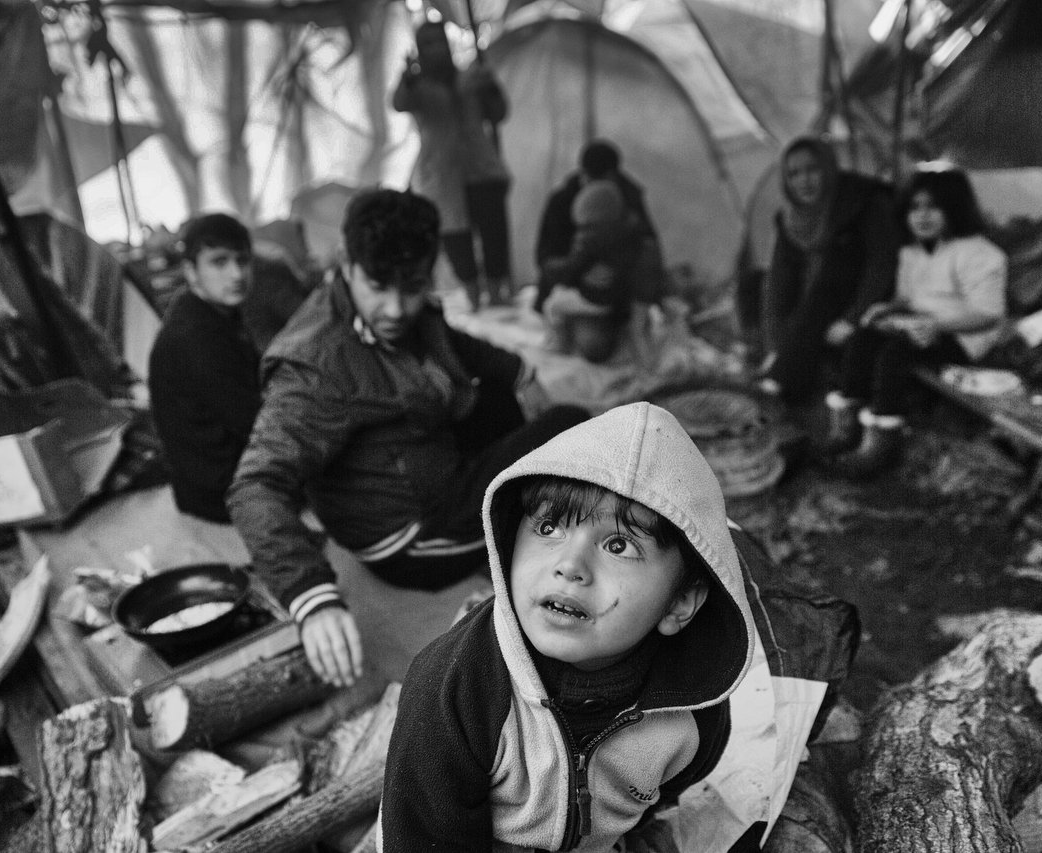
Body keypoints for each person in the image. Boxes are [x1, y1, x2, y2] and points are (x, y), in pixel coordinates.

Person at [227, 189, 588, 689]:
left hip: (423, 459)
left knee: (501, 398)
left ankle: (524, 526)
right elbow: (254, 486)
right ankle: (516, 543)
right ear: (346, 265)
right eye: (378, 286)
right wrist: (308, 593)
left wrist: (520, 368)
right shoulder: (314, 368)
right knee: (569, 425)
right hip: (409, 537)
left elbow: (454, 342)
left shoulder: (402, 313)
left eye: (413, 287)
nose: (396, 307)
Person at [380, 401, 759, 851]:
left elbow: (673, 786)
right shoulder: (453, 688)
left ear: (679, 603)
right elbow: (421, 841)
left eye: (618, 544)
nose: (570, 565)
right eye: (548, 527)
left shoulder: (694, 698)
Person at [823, 164, 1008, 477]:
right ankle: (846, 427)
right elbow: (908, 297)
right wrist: (886, 308)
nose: (922, 216)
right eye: (914, 207)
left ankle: (883, 440)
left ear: (955, 208)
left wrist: (936, 326)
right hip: (919, 326)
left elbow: (988, 314)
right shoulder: (912, 252)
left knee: (893, 355)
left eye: (933, 207)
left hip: (964, 336)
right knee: (861, 341)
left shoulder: (981, 254)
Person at [755, 136, 900, 405]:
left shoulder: (863, 201)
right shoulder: (790, 219)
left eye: (813, 170)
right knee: (754, 284)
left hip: (866, 301)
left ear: (828, 168)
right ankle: (782, 380)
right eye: (793, 174)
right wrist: (774, 346)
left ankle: (783, 383)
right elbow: (778, 284)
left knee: (836, 265)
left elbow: (882, 266)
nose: (804, 181)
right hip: (815, 308)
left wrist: (852, 318)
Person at [148, 213, 261, 523]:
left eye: (242, 260)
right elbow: (255, 423)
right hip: (222, 494)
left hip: (213, 480)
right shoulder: (196, 337)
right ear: (191, 271)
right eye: (219, 262)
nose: (237, 274)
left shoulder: (209, 312)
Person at [392, 20, 512, 310]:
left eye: (440, 42)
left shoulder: (471, 78)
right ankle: (473, 296)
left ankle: (498, 293)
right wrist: (407, 76)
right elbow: (399, 103)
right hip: (442, 177)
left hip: (481, 168)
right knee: (456, 238)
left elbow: (498, 113)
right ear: (420, 49)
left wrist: (491, 88)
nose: (437, 50)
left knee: (494, 233)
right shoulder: (418, 87)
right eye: (428, 44)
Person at [539, 178, 664, 365]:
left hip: (598, 298)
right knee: (629, 336)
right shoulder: (633, 232)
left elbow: (571, 268)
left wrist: (551, 268)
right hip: (616, 301)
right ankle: (646, 364)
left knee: (552, 306)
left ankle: (559, 343)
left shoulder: (589, 238)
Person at [534, 138, 659, 313]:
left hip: (619, 289)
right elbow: (546, 258)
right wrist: (581, 271)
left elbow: (646, 246)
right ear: (583, 175)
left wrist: (614, 269)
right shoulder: (562, 202)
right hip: (574, 284)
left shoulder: (629, 199)